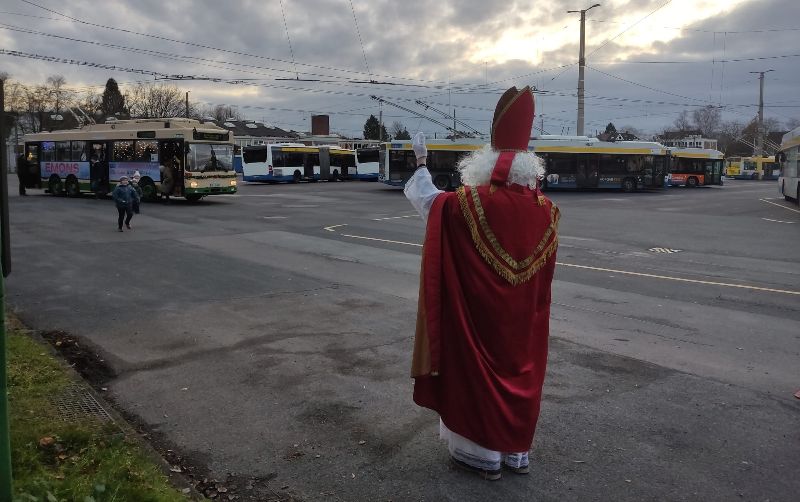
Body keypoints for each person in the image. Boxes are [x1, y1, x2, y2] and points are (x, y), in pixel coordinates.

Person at [404, 87, 559, 481]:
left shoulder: (469, 204)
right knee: (521, 371)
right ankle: (513, 454)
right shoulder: (548, 212)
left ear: (484, 164)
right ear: (530, 166)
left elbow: (429, 202)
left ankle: (483, 457)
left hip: (477, 319)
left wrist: (421, 162)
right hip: (524, 322)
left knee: (474, 374)